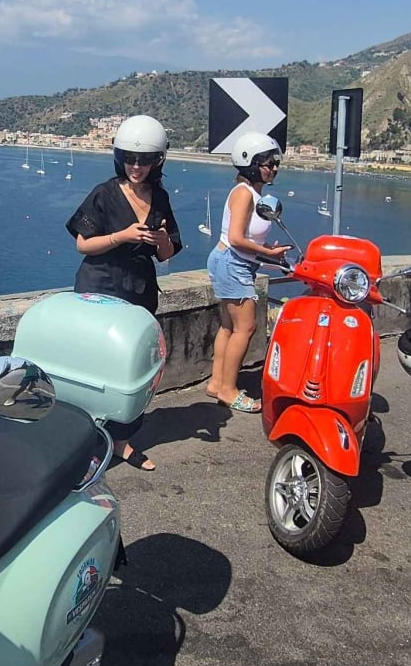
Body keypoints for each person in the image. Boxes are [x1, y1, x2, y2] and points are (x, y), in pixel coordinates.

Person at [66, 114, 182, 470]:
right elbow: (83, 245)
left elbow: (167, 253)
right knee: (92, 365)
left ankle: (121, 440)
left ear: (156, 161)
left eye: (144, 159)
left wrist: (160, 240)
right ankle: (83, 441)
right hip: (100, 287)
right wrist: (123, 236)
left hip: (139, 291)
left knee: (132, 367)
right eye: (130, 158)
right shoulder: (104, 193)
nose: (136, 166)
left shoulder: (159, 198)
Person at [205, 132, 291, 413]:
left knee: (229, 327)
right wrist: (269, 254)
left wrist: (266, 249)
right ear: (252, 164)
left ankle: (218, 383)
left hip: (231, 261)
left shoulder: (251, 193)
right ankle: (229, 390)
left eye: (274, 163)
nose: (274, 168)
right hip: (233, 263)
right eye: (268, 163)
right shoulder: (244, 194)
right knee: (246, 327)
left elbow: (244, 239)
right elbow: (237, 238)